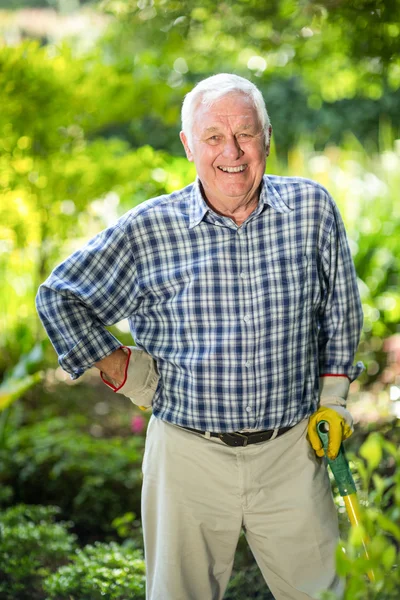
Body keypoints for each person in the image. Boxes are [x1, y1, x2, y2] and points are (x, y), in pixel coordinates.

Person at [36, 73, 364, 600]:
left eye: (246, 134)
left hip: (292, 453)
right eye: (214, 137)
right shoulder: (149, 230)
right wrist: (125, 371)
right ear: (189, 145)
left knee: (325, 595)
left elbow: (341, 312)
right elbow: (59, 296)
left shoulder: (311, 210)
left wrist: (334, 398)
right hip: (187, 457)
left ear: (267, 137)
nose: (232, 151)